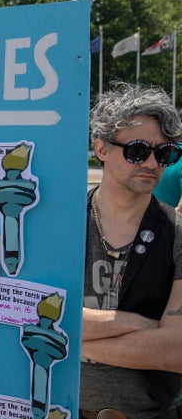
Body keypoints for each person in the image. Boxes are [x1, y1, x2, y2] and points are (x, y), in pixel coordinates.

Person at [82, 82, 182, 419]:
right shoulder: (61, 226)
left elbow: (175, 350)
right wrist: (138, 324)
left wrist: (67, 342)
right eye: (138, 150)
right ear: (102, 148)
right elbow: (27, 313)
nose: (152, 163)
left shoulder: (177, 234)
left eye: (165, 153)